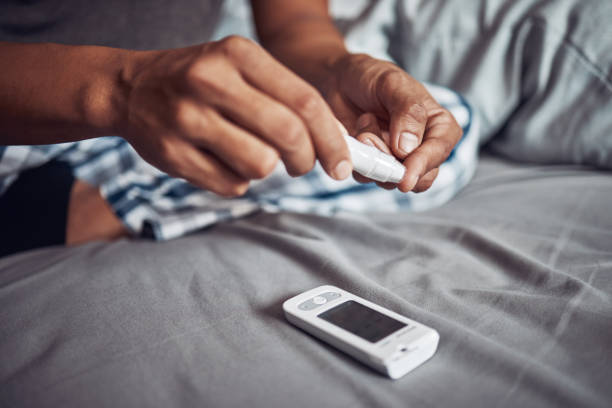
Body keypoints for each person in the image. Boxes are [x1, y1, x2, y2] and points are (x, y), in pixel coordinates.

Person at [0, 0, 461, 251]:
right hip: (29, 111)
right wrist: (122, 90)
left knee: (455, 122)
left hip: (176, 117)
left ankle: (76, 201)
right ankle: (50, 208)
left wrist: (336, 68)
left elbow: (295, 19)